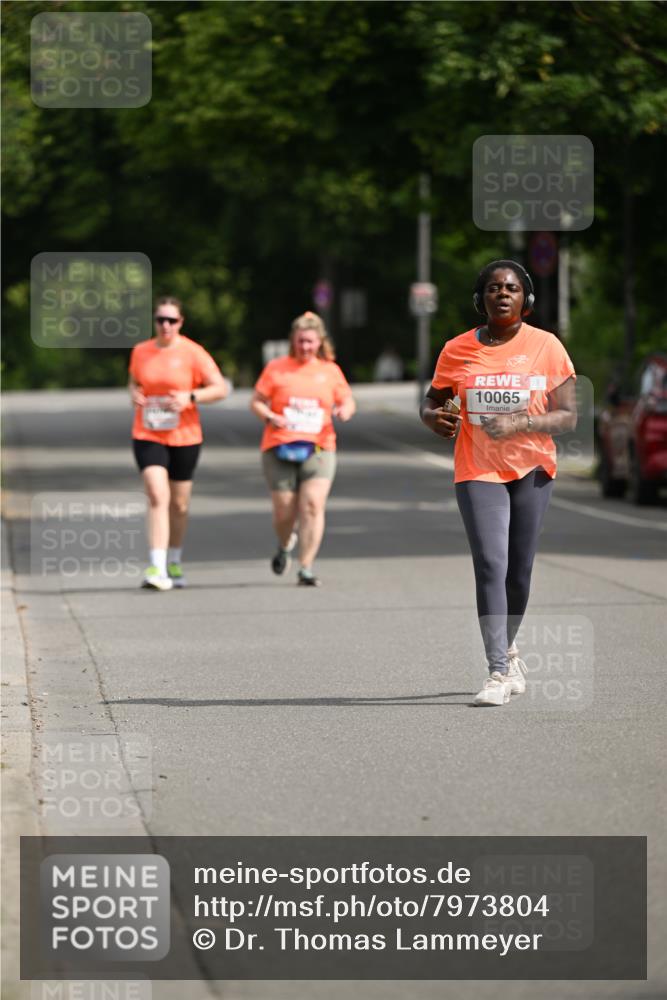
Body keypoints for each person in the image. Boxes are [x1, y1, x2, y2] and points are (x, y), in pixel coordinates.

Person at [420, 260, 577, 706]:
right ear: (481, 298)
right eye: (493, 288)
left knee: (518, 571)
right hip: (477, 468)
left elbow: (568, 416)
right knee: (491, 562)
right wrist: (436, 419)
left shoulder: (546, 346)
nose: (502, 294)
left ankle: (508, 645)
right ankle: (497, 670)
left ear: (525, 300)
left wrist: (522, 421)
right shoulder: (456, 349)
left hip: (532, 469)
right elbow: (432, 402)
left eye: (511, 288)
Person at [128, 296, 228, 590]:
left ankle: (174, 559)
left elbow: (220, 388)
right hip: (148, 432)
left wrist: (190, 397)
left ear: (181, 323)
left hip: (185, 435)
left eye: (172, 320)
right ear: (154, 321)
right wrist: (134, 393)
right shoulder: (141, 351)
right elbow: (134, 381)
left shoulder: (193, 353)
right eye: (161, 319)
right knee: (157, 495)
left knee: (180, 505)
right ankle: (156, 567)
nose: (166, 325)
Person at [250, 311, 356, 587]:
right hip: (279, 445)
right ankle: (286, 544)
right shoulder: (277, 368)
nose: (305, 347)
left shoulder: (329, 370)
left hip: (319, 447)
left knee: (312, 505)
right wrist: (270, 416)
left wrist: (345, 410)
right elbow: (257, 401)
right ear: (292, 341)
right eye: (300, 341)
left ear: (320, 341)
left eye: (310, 342)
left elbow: (347, 399)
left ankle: (306, 566)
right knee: (284, 512)